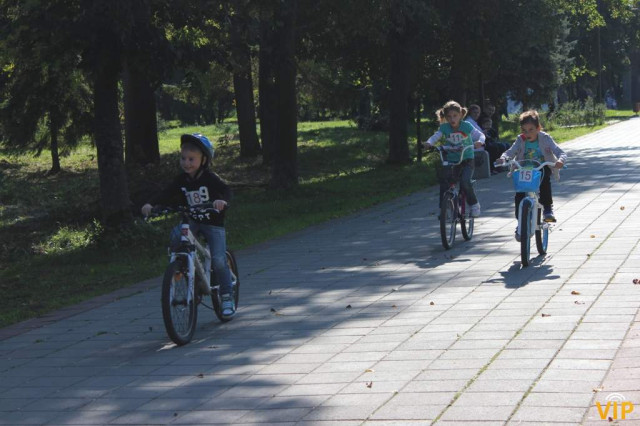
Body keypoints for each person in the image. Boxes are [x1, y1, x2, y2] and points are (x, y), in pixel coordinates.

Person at [141, 133, 236, 319]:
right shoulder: (181, 180)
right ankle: (181, 267)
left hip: (213, 223)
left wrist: (221, 201)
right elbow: (166, 193)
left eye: (191, 159)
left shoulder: (210, 178)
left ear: (204, 160)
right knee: (177, 235)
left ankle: (226, 296)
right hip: (192, 220)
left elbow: (226, 190)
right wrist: (151, 204)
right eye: (183, 158)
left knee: (218, 260)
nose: (187, 163)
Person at [496, 110, 567, 241]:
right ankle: (521, 223)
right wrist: (503, 158)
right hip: (525, 168)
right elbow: (511, 151)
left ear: (538, 128)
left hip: (541, 167)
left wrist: (560, 160)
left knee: (544, 181)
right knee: (519, 193)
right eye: (524, 130)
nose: (527, 133)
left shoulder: (545, 138)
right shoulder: (520, 139)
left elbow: (560, 152)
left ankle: (547, 209)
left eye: (531, 130)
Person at [424, 100, 485, 217]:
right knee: (444, 182)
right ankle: (444, 209)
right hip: (451, 160)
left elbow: (480, 135)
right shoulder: (444, 127)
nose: (452, 119)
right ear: (445, 117)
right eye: (449, 116)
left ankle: (474, 204)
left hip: (467, 159)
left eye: (455, 116)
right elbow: (436, 136)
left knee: (465, 182)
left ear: (461, 115)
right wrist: (429, 142)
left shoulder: (466, 125)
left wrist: (480, 141)